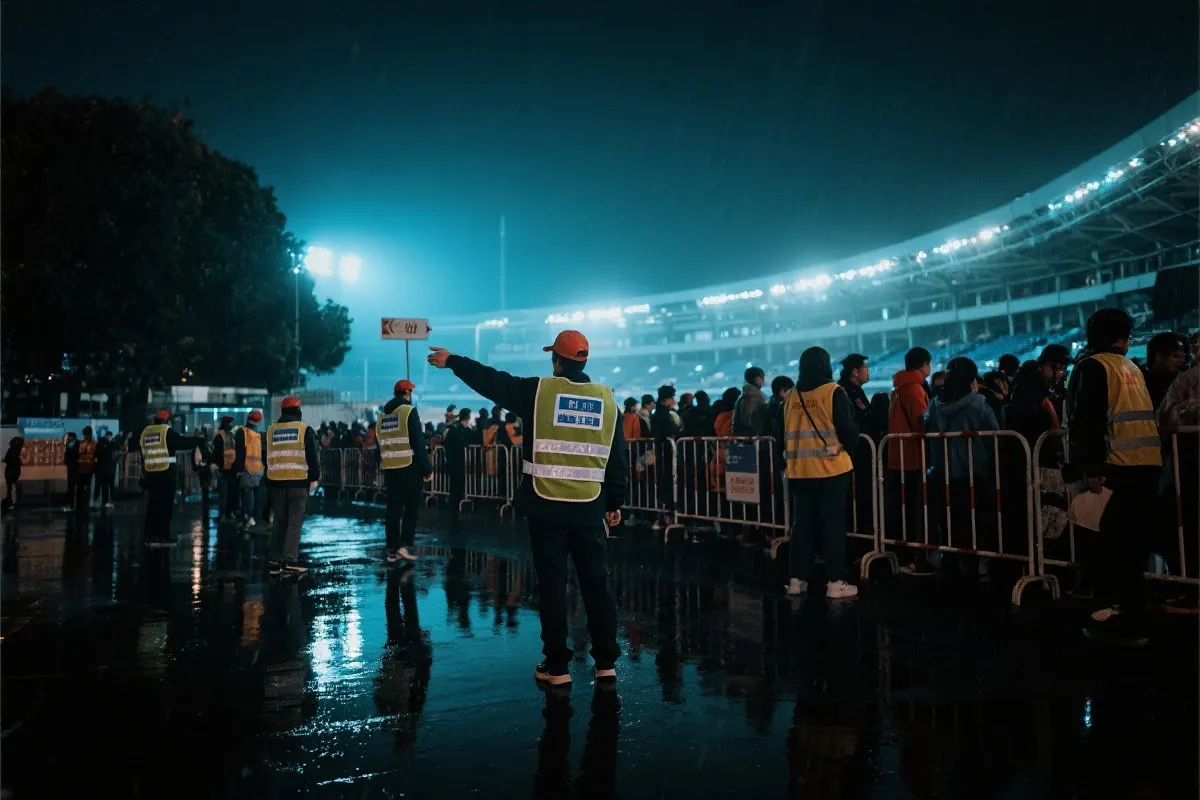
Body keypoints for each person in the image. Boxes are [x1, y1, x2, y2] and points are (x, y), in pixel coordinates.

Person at [428, 329, 628, 687]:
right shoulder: (605, 399)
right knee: (596, 585)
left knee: (552, 587)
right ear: (583, 360)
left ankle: (557, 667)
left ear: (557, 360)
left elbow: (492, 382)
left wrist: (452, 361)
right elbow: (616, 456)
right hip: (588, 508)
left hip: (546, 505)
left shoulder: (540, 392)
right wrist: (615, 502)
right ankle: (606, 664)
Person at [1066, 309, 1162, 646]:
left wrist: (1091, 469)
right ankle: (1134, 615)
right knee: (1133, 548)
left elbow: (1086, 421)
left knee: (1113, 547)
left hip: (1115, 468)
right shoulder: (1132, 367)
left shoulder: (1093, 367)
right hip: (1148, 466)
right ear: (1124, 337)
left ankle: (1118, 619)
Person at [778, 346, 859, 599]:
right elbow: (849, 434)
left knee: (801, 527)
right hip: (831, 470)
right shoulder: (834, 392)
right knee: (832, 526)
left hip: (799, 473)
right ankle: (835, 581)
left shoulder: (790, 396)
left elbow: (779, 434)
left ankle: (796, 580)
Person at [923, 357, 1000, 577]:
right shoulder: (979, 403)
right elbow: (993, 435)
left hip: (943, 471)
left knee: (949, 517)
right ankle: (974, 563)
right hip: (974, 470)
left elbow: (926, 428)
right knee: (976, 518)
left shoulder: (935, 403)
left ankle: (950, 560)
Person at [887, 347, 933, 574]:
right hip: (914, 456)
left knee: (904, 509)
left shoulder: (897, 389)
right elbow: (921, 423)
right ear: (924, 364)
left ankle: (905, 555)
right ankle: (918, 558)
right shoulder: (915, 389)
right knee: (917, 509)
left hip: (897, 456)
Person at [377, 379, 434, 565]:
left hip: (390, 469)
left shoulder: (383, 415)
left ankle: (391, 550)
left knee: (392, 511)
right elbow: (418, 441)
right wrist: (426, 468)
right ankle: (405, 545)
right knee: (411, 509)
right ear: (408, 393)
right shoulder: (408, 411)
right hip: (409, 467)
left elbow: (381, 443)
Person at [264, 396, 321, 576]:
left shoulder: (271, 430)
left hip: (276, 482)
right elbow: (312, 456)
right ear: (298, 411)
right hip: (298, 482)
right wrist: (314, 477)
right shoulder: (304, 430)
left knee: (279, 521)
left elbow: (268, 456)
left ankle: (274, 561)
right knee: (294, 523)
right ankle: (290, 561)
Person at [139, 410, 191, 546]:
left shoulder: (146, 432)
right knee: (165, 506)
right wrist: (198, 442)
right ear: (166, 421)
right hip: (165, 472)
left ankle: (149, 535)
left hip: (150, 472)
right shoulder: (165, 431)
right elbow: (182, 443)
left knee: (152, 505)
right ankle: (163, 536)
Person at [235, 410, 267, 528]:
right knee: (257, 494)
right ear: (259, 421)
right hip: (259, 469)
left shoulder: (241, 432)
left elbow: (240, 453)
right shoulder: (259, 435)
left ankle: (248, 518)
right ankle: (255, 518)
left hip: (246, 468)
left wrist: (238, 470)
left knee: (247, 493)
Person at [1142, 332, 1187, 410]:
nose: (1182, 360)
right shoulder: (1140, 383)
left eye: (1183, 356)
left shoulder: (1185, 380)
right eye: (1176, 356)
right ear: (1159, 356)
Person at [442, 408, 473, 511]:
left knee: (454, 483)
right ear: (468, 417)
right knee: (459, 482)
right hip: (460, 460)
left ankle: (454, 503)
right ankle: (457, 503)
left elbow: (446, 443)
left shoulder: (453, 429)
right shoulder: (466, 431)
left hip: (452, 461)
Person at [213, 414, 239, 522]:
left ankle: (224, 514)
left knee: (224, 493)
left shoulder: (220, 436)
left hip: (224, 468)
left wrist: (216, 465)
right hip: (231, 467)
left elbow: (217, 452)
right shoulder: (232, 435)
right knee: (231, 492)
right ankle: (229, 513)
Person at [732, 366, 767, 436]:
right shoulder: (756, 396)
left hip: (740, 436)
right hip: (752, 438)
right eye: (762, 378)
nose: (763, 381)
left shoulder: (742, 397)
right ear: (758, 378)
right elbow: (750, 421)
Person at [77, 426, 98, 509]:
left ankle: (83, 503)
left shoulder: (84, 443)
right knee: (85, 487)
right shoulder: (93, 444)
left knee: (84, 487)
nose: (85, 436)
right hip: (85, 469)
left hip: (85, 469)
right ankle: (84, 502)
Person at [93, 430, 115, 509]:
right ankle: (104, 502)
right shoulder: (108, 445)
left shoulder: (99, 445)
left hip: (99, 469)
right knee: (104, 486)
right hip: (106, 469)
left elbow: (96, 457)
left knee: (98, 486)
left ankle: (95, 501)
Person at [3, 436, 24, 510]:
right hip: (14, 473)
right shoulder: (17, 451)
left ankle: (11, 502)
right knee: (13, 487)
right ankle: (12, 502)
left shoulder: (11, 450)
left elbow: (6, 459)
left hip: (10, 473)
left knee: (10, 488)